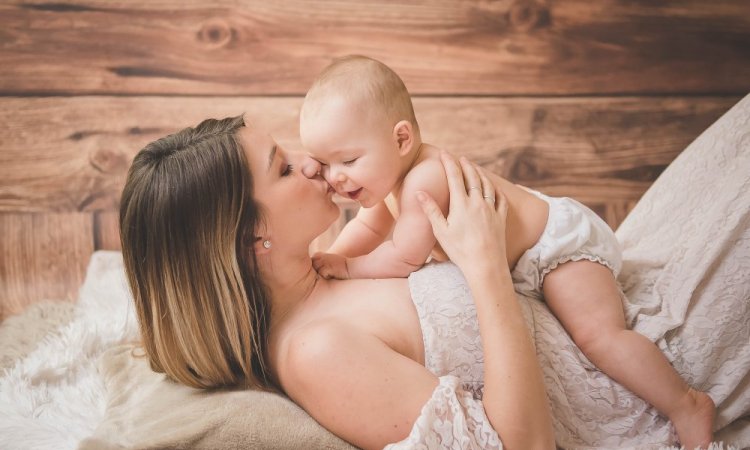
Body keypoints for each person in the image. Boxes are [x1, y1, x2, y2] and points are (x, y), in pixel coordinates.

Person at [299, 55, 715, 449]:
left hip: (558, 246)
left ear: (402, 139)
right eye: (324, 163)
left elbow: (404, 258)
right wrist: (328, 258)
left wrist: (347, 267)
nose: (335, 177)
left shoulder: (424, 180)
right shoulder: (390, 184)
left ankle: (686, 403)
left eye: (348, 160)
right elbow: (369, 226)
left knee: (599, 337)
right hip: (525, 261)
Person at [118, 115, 555, 449]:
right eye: (283, 170)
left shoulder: (335, 267)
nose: (310, 163)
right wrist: (487, 267)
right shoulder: (318, 353)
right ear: (253, 235)